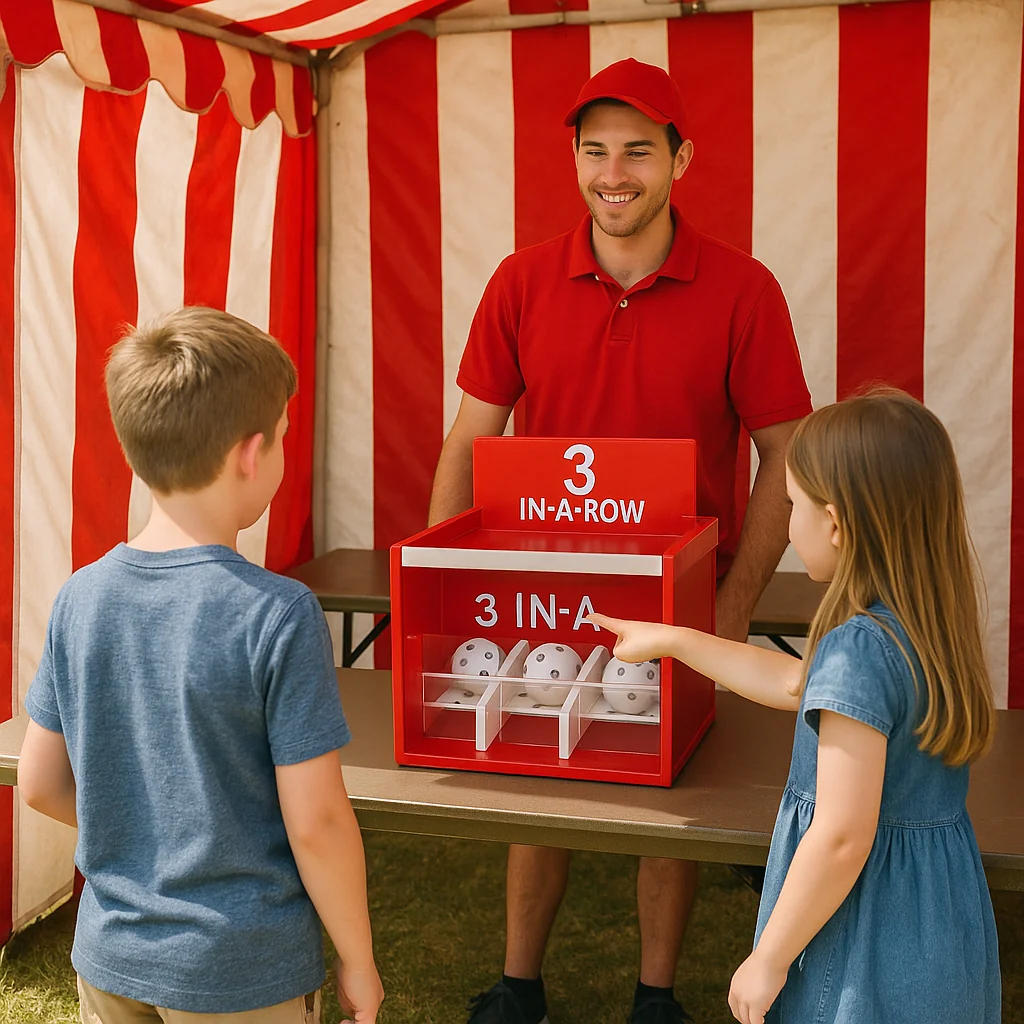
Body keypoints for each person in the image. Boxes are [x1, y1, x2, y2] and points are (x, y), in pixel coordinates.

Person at [430, 58, 812, 1024]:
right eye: (594, 150)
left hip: (681, 594)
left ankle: (656, 997)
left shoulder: (744, 289)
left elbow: (787, 456)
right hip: (543, 586)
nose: (614, 172)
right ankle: (518, 987)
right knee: (537, 768)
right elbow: (470, 441)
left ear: (680, 159)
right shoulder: (521, 280)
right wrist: (442, 583)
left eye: (639, 150)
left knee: (671, 797)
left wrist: (729, 606)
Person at [17, 308, 385, 1024]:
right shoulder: (277, 613)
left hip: (110, 955)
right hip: (242, 968)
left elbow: (37, 783)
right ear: (252, 455)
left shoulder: (78, 597)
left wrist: (144, 834)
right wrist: (360, 960)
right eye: (281, 438)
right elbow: (318, 823)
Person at [590, 390, 1000, 1024]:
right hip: (937, 925)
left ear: (834, 522)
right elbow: (791, 682)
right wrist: (672, 639)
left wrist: (770, 957)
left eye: (792, 505)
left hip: (865, 940)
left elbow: (840, 835)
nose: (787, 524)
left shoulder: (858, 651)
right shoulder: (924, 627)